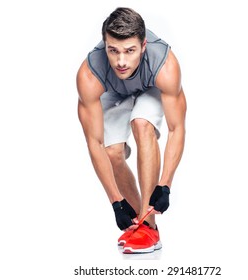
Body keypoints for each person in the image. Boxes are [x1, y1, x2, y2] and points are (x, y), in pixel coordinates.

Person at [76, 7, 186, 254]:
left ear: (143, 45)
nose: (121, 61)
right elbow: (94, 143)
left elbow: (176, 129)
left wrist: (165, 184)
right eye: (113, 51)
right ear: (105, 45)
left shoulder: (165, 65)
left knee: (141, 124)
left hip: (151, 86)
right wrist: (116, 202)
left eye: (130, 51)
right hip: (112, 91)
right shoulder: (89, 73)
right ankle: (140, 223)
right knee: (112, 152)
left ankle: (149, 227)